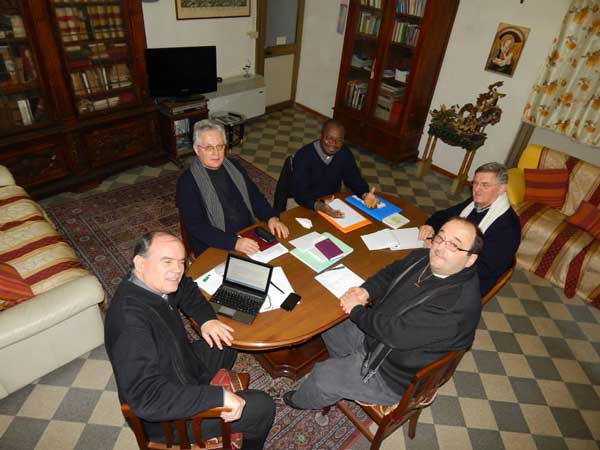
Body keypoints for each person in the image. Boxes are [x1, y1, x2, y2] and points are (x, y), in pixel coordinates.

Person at [283, 218, 483, 410]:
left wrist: (357, 311)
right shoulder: (425, 257)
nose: (440, 247)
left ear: (470, 259)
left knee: (322, 377)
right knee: (328, 317)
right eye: (440, 237)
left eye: (454, 245)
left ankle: (298, 401)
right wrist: (366, 291)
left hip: (390, 373)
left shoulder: (455, 306)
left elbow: (395, 334)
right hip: (376, 337)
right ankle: (347, 366)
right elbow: (391, 271)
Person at [104, 232, 275, 450]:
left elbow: (185, 287)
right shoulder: (129, 324)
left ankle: (206, 385)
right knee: (262, 407)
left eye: (181, 262)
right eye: (167, 261)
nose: (177, 270)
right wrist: (216, 397)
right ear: (140, 263)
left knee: (226, 339)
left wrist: (207, 320)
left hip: (181, 364)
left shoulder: (154, 282)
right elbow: (146, 398)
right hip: (168, 418)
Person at [177, 119, 289, 256]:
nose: (216, 153)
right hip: (215, 243)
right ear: (196, 149)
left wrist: (271, 217)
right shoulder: (187, 182)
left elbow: (255, 197)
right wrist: (234, 242)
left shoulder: (234, 167)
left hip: (247, 232)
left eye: (220, 146)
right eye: (209, 148)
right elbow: (197, 226)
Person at [417, 162, 520, 296]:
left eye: (485, 185)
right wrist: (430, 226)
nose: (477, 189)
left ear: (502, 189)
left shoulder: (508, 228)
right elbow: (443, 216)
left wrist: (443, 255)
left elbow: (484, 270)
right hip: (449, 260)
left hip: (468, 284)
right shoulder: (473, 204)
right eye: (475, 183)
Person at [290, 119, 378, 218]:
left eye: (339, 140)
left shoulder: (344, 153)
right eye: (329, 138)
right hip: (307, 205)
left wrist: (364, 194)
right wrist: (320, 205)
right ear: (321, 135)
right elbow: (300, 194)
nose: (334, 144)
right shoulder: (303, 156)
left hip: (333, 201)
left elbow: (354, 179)